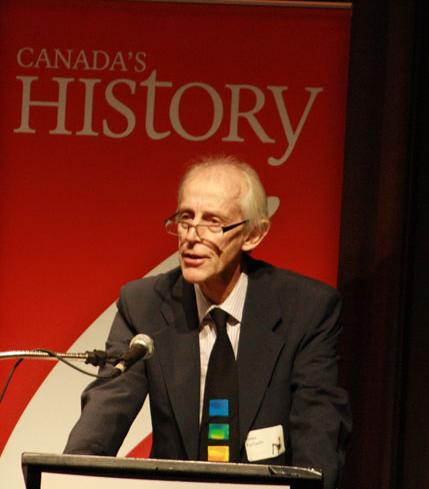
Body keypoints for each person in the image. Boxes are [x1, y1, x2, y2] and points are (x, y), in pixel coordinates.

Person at [64, 155, 351, 488]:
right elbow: (104, 415)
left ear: (253, 235)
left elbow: (319, 434)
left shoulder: (306, 309)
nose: (191, 236)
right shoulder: (144, 305)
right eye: (186, 218)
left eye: (213, 222)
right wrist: (66, 479)